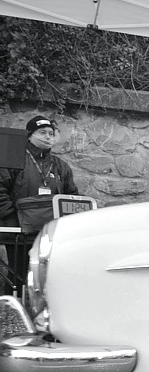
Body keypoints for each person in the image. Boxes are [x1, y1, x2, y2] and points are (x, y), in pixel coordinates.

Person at [0, 115, 79, 293]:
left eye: (51, 133)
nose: (47, 137)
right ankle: (13, 313)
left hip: (50, 234)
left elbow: (72, 195)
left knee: (47, 278)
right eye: (42, 132)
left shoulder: (61, 166)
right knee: (18, 277)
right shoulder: (14, 159)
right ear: (29, 135)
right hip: (18, 232)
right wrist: (13, 218)